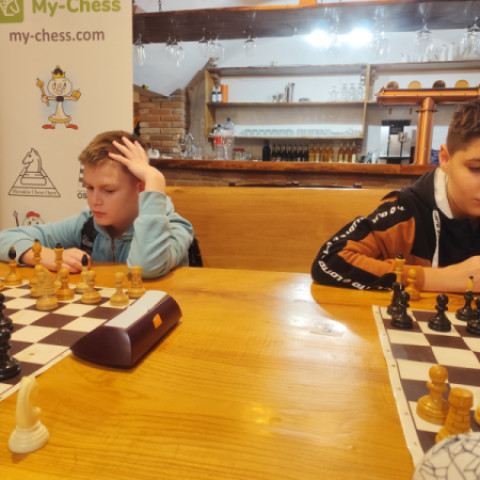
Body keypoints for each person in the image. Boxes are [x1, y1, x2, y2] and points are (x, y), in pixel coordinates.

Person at [311, 99, 480, 293]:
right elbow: (329, 262)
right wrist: (448, 278)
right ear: (445, 159)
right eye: (476, 168)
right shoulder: (406, 212)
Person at [0, 130, 194, 278]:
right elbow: (5, 238)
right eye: (90, 187)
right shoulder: (87, 223)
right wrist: (45, 255)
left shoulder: (174, 228)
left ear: (141, 188)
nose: (95, 201)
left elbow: (145, 268)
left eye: (108, 190)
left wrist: (154, 178)